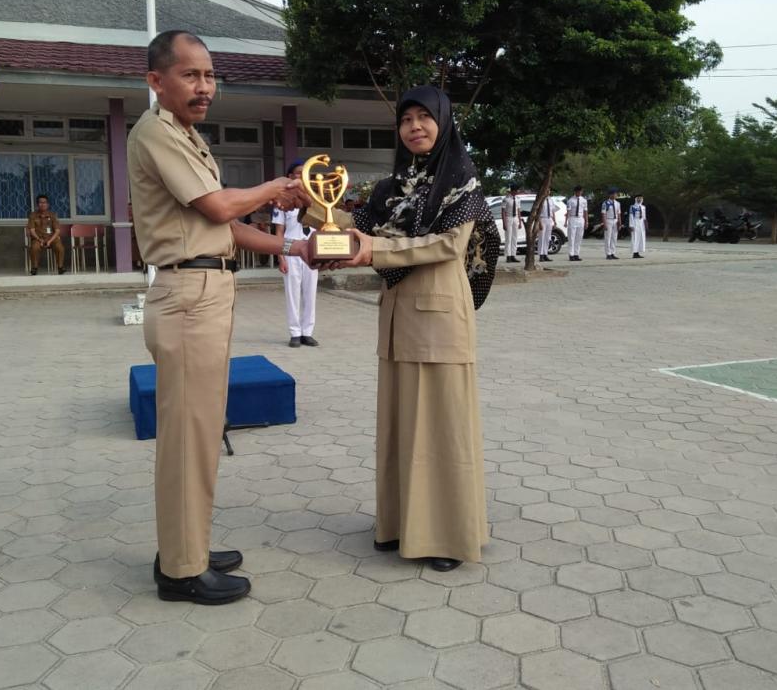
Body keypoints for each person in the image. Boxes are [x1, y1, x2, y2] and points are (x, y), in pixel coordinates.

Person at [127, 30, 312, 605]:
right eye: (191, 75)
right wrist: (277, 189)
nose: (204, 86)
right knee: (188, 436)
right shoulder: (156, 131)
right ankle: (181, 571)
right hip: (187, 294)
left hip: (206, 288)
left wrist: (292, 249)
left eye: (209, 75)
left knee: (204, 431)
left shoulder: (187, 136)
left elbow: (226, 226)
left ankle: (189, 545)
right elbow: (217, 206)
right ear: (157, 82)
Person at [306, 85, 500, 572]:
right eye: (406, 119)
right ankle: (398, 525)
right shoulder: (391, 189)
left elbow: (446, 246)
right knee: (399, 425)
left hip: (439, 317)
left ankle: (448, 537)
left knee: (441, 427)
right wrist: (308, 205)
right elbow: (357, 228)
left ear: (443, 122)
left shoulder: (462, 181)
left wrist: (372, 252)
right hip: (396, 317)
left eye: (424, 117)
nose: (414, 126)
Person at [273, 159, 319, 347]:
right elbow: (278, 232)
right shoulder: (281, 201)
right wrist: (280, 257)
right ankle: (294, 332)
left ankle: (307, 332)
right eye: (296, 173)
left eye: (303, 173)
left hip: (311, 251)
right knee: (292, 293)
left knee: (310, 293)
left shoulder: (316, 200)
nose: (300, 176)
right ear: (290, 177)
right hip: (291, 251)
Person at [26, 195, 66, 274]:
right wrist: (38, 239)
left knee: (59, 247)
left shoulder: (53, 215)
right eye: (40, 202)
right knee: (34, 248)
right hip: (38, 238)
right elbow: (32, 230)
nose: (43, 204)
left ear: (48, 204)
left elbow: (57, 230)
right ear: (37, 204)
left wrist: (50, 241)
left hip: (51, 238)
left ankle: (60, 267)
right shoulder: (33, 215)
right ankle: (34, 268)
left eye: (44, 202)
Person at [566, 185, 587, 261]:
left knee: (579, 238)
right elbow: (568, 211)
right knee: (571, 238)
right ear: (575, 192)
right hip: (573, 218)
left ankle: (576, 254)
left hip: (580, 219)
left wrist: (586, 221)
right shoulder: (570, 200)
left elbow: (585, 211)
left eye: (580, 191)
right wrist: (566, 221)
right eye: (578, 191)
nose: (579, 192)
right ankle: (571, 255)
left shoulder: (584, 200)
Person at [501, 185, 522, 262]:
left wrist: (520, 221)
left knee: (514, 237)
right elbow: (503, 211)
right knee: (508, 238)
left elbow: (519, 211)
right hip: (509, 218)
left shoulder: (518, 199)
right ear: (513, 190)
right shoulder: (506, 199)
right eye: (516, 190)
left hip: (515, 218)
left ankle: (513, 255)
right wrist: (504, 222)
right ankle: (508, 256)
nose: (517, 192)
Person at [602, 188, 621, 260]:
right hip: (608, 220)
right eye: (614, 194)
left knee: (614, 238)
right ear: (611, 194)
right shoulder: (605, 203)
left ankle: (613, 253)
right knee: (608, 238)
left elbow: (619, 213)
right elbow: (603, 214)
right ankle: (608, 253)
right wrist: (605, 224)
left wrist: (620, 222)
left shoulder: (617, 203)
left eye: (616, 194)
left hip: (615, 221)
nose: (616, 195)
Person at [537, 193, 556, 263]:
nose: (548, 192)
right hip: (543, 219)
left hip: (549, 219)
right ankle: (541, 255)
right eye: (546, 190)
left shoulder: (551, 200)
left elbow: (553, 211)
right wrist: (539, 222)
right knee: (541, 238)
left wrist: (554, 221)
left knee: (547, 238)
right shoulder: (541, 200)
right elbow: (538, 212)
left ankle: (545, 254)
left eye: (549, 190)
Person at [630, 194, 648, 258]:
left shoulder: (643, 207)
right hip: (635, 222)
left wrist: (646, 225)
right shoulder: (632, 207)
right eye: (638, 198)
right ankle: (634, 253)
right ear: (636, 199)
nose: (639, 199)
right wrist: (631, 225)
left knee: (641, 238)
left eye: (641, 198)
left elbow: (644, 217)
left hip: (641, 223)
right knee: (635, 238)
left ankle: (638, 252)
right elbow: (631, 216)